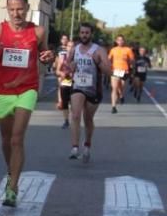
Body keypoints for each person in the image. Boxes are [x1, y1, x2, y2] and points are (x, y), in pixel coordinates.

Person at [0, 0, 54, 207]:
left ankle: (12, 187)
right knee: (6, 139)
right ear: (7, 9)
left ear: (27, 8)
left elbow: (46, 57)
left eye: (20, 9)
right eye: (11, 9)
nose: (16, 13)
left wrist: (49, 57)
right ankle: (12, 172)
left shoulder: (38, 32)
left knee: (17, 138)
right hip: (2, 91)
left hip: (27, 89)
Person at [67, 22, 111, 163]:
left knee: (88, 119)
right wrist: (70, 68)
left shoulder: (99, 50)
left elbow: (109, 72)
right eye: (82, 33)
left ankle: (87, 145)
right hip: (78, 86)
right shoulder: (74, 49)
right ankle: (74, 148)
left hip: (94, 89)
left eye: (87, 33)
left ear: (91, 34)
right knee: (75, 115)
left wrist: (98, 63)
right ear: (79, 34)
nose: (84, 35)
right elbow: (66, 69)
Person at [107, 35, 134, 113]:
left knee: (121, 86)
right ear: (116, 41)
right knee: (114, 88)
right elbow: (109, 59)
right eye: (119, 40)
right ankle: (113, 107)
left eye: (122, 40)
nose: (120, 41)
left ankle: (121, 95)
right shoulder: (113, 50)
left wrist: (131, 67)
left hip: (124, 71)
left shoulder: (128, 50)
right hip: (115, 70)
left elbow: (132, 60)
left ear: (124, 41)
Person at [55, 34, 73, 129]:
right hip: (66, 79)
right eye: (69, 46)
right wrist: (61, 74)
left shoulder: (78, 57)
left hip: (76, 81)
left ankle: (75, 119)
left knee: (75, 101)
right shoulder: (63, 57)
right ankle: (66, 120)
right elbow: (57, 70)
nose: (70, 48)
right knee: (65, 101)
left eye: (72, 46)